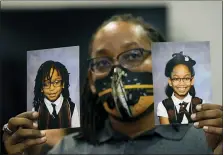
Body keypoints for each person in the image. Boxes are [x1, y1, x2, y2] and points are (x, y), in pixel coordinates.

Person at [2, 14, 222, 155]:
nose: (117, 69)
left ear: (161, 65)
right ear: (92, 82)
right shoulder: (67, 150)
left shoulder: (207, 141)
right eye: (103, 61)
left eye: (134, 55)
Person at [157, 51, 205, 125]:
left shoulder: (201, 104)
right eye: (176, 79)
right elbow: (166, 133)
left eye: (186, 78)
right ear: (170, 81)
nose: (181, 83)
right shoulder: (163, 106)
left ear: (192, 80)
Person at [32, 60, 80, 129]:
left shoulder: (71, 108)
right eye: (46, 84)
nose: (51, 88)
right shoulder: (36, 109)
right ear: (41, 88)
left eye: (57, 82)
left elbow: (76, 133)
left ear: (63, 84)